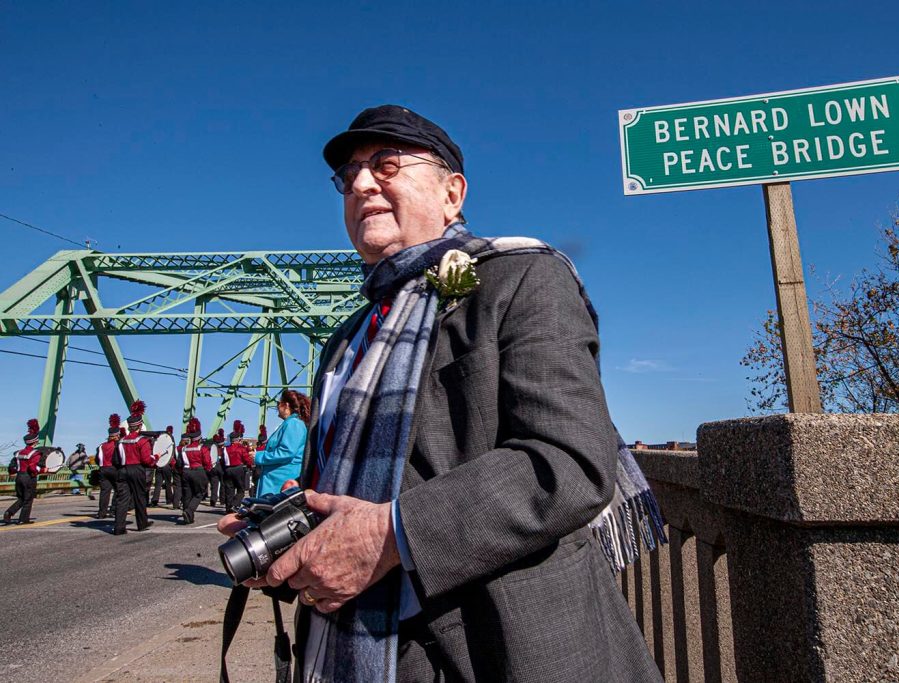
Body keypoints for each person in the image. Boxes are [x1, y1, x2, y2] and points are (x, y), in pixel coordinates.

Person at [219, 105, 664, 681]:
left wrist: (391, 535)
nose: (359, 184)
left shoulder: (522, 278)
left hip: (495, 648)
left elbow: (569, 461)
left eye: (387, 163)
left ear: (452, 194)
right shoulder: (346, 340)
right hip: (357, 651)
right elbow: (335, 495)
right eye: (347, 176)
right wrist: (290, 549)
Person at [252, 391, 309, 498]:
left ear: (286, 405)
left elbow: (286, 452)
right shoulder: (291, 423)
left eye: (278, 404)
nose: (277, 408)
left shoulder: (293, 424)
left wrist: (258, 456)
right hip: (279, 480)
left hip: (280, 482)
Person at [113, 400, 155, 535]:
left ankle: (119, 527)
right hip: (137, 470)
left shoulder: (120, 441)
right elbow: (146, 460)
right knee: (139, 497)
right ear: (140, 425)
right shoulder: (143, 441)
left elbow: (116, 459)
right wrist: (156, 458)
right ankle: (142, 523)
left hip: (123, 470)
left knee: (122, 499)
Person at [4, 419, 44, 524]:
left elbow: (12, 467)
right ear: (35, 441)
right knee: (28, 499)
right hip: (29, 477)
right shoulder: (35, 453)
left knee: (21, 498)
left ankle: (9, 513)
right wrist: (43, 470)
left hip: (19, 477)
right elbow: (33, 468)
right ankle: (23, 519)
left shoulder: (18, 453)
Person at [179, 418, 211, 524]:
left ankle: (188, 516)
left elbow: (179, 463)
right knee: (199, 493)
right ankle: (189, 511)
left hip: (186, 471)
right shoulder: (202, 448)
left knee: (187, 494)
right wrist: (208, 470)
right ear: (199, 437)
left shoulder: (183, 449)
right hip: (198, 471)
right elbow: (207, 462)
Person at [221, 420, 255, 513]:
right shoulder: (241, 448)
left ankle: (228, 508)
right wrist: (250, 465)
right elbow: (247, 459)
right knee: (241, 489)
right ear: (238, 439)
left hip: (228, 469)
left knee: (229, 490)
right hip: (238, 469)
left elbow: (222, 461)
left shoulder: (225, 449)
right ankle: (235, 504)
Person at [94, 414, 121, 519]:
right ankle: (113, 510)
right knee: (118, 490)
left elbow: (97, 459)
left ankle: (101, 512)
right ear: (117, 435)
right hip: (114, 469)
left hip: (103, 469)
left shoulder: (101, 446)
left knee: (105, 492)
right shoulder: (118, 444)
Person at [150, 425, 175, 507]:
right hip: (167, 465)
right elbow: (172, 453)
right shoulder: (171, 439)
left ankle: (154, 500)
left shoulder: (160, 439)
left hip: (159, 464)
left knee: (158, 484)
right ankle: (169, 499)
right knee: (168, 483)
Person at [207, 428, 225, 508]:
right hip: (221, 467)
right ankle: (222, 500)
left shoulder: (212, 449)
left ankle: (213, 500)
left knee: (214, 485)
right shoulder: (223, 450)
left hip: (213, 467)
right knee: (223, 484)